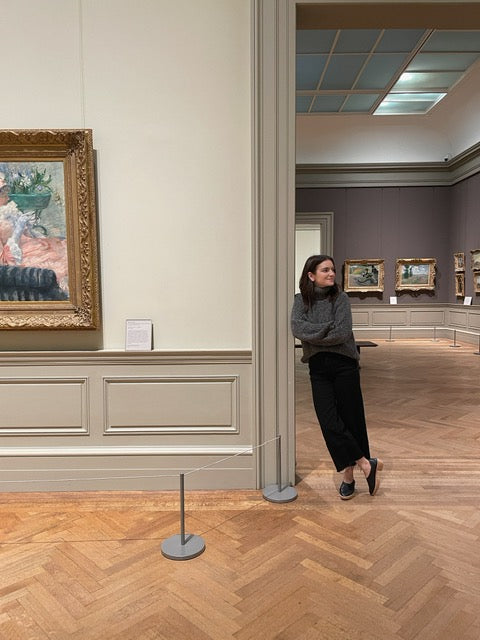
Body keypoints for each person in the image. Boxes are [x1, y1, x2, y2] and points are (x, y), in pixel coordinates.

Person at [291, 254, 383, 500]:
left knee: (352, 419)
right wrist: (326, 328)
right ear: (311, 275)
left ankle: (348, 477)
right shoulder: (301, 300)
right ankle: (365, 462)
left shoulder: (340, 298)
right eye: (325, 270)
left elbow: (342, 333)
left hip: (345, 365)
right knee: (329, 421)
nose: (331, 273)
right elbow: (297, 328)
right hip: (318, 367)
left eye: (332, 269)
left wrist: (314, 334)